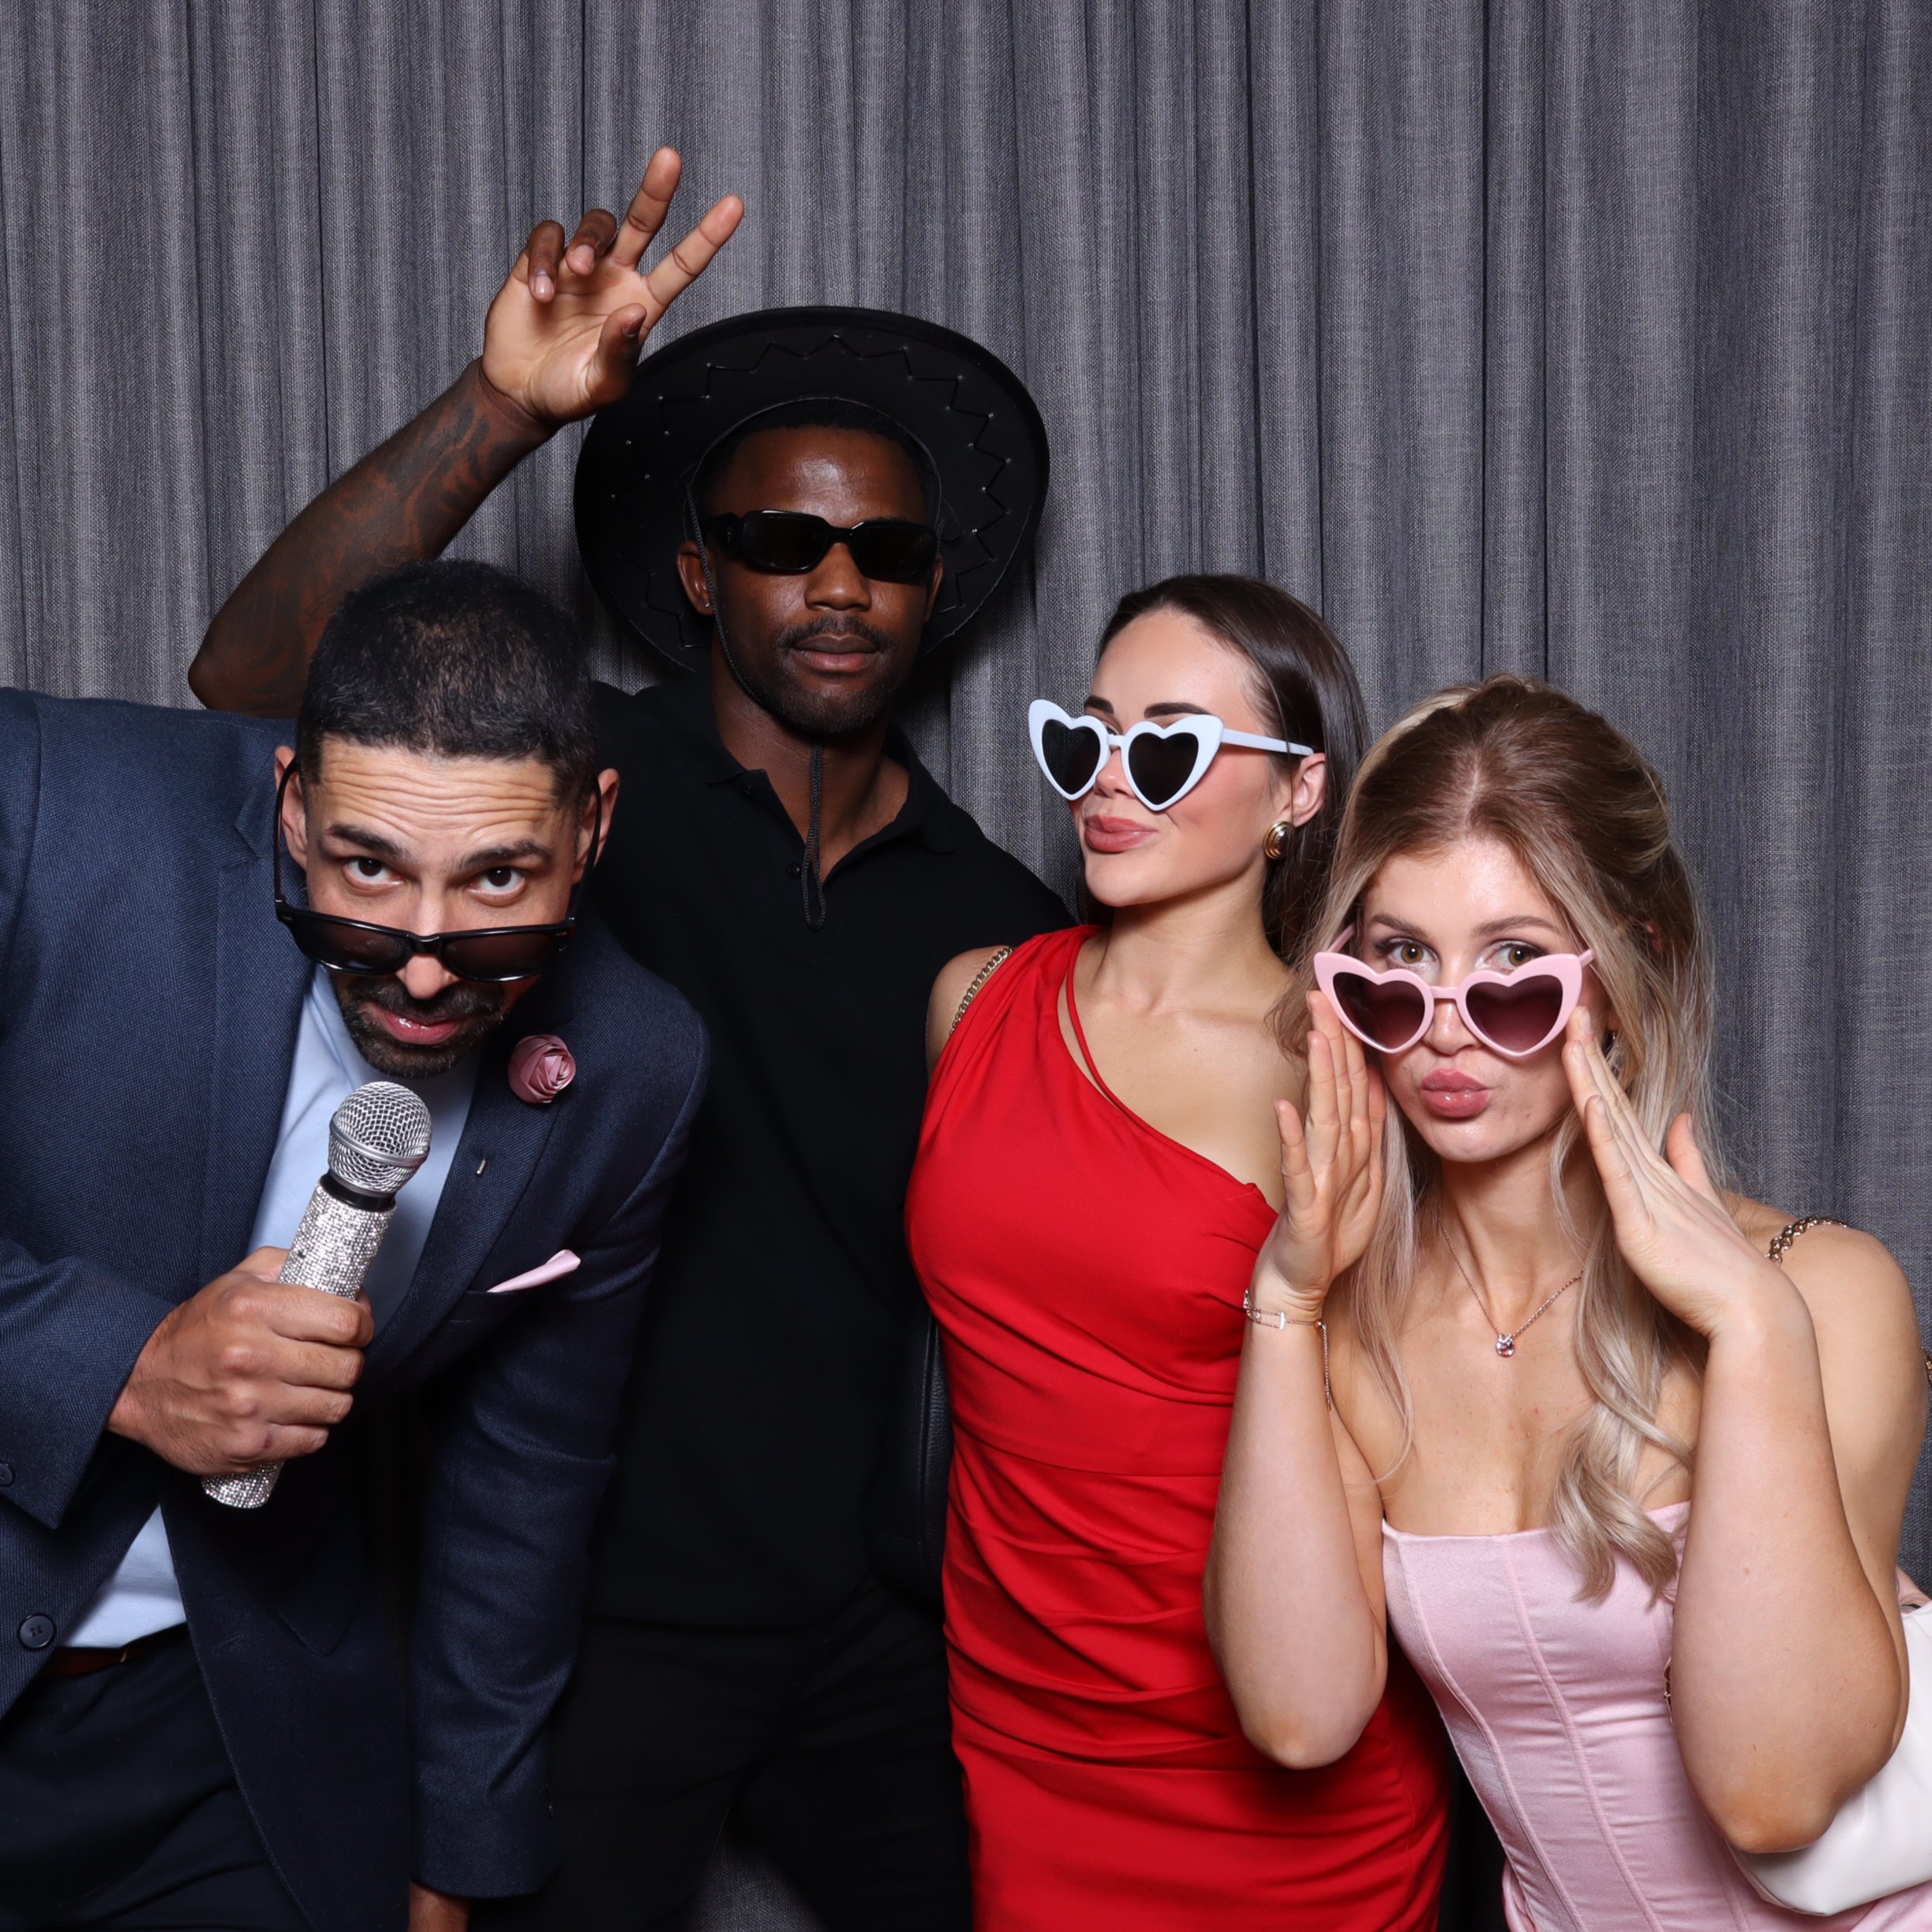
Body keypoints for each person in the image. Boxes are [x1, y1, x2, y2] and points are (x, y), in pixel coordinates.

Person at [189, 150, 1068, 1930]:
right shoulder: (567, 799)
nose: (838, 583)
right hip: (588, 1612)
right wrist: (502, 410)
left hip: (877, 1627)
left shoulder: (998, 910)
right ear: (695, 569)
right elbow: (253, 680)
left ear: (933, 590)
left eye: (886, 550)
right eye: (781, 541)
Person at [0, 560, 706, 1932]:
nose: (427, 964)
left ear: (593, 827)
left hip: (225, 1730)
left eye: (498, 880)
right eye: (367, 868)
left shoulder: (636, 1065)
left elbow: (527, 1488)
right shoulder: (50, 806)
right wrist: (121, 1369)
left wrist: (458, 1856)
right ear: (293, 805)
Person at [1206, 675, 1932, 1930]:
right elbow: (1298, 1716)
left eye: (1515, 966)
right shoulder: (1351, 1331)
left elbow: (1775, 1797)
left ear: (1625, 969)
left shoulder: (1825, 1287)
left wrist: (1753, 1331)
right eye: (1400, 961)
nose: (1445, 1029)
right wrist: (1285, 1295)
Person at [906, 577, 1451, 1930]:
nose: (1108, 781)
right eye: (1086, 738)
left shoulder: (1344, 1073)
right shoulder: (974, 998)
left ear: (1297, 791)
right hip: (1022, 1733)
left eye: (1167, 748)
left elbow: (1420, 1419)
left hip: (1269, 1762)